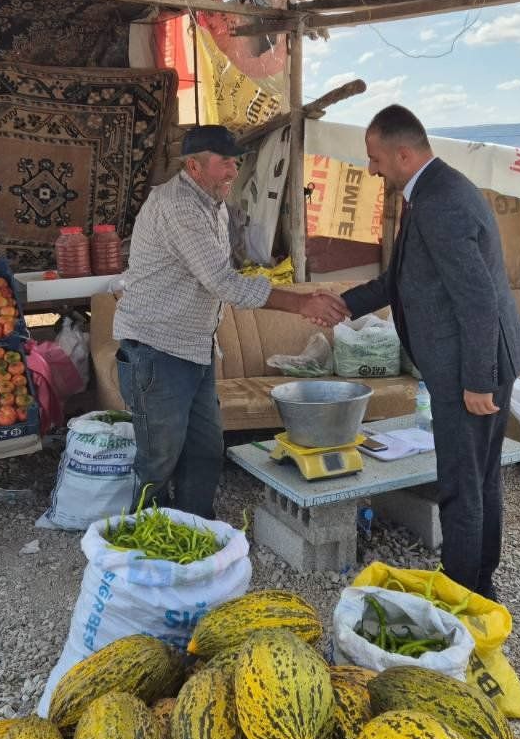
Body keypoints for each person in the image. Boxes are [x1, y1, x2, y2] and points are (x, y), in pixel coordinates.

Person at [338, 105, 520, 598]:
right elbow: (399, 281)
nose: (372, 169)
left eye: (375, 158)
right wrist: (341, 304)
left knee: (462, 486)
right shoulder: (429, 191)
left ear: (403, 153)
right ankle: (481, 582)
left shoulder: (441, 201)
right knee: (479, 479)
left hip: (470, 364)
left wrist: (478, 381)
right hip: (471, 358)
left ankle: (462, 596)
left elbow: (478, 298)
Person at [114, 125, 349, 518]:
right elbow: (224, 282)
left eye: (235, 163)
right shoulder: (178, 206)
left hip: (194, 348)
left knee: (206, 449)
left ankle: (194, 527)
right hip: (156, 349)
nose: (233, 171)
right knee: (159, 458)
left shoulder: (212, 202)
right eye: (224, 163)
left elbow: (223, 273)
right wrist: (301, 302)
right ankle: (143, 542)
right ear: (193, 165)